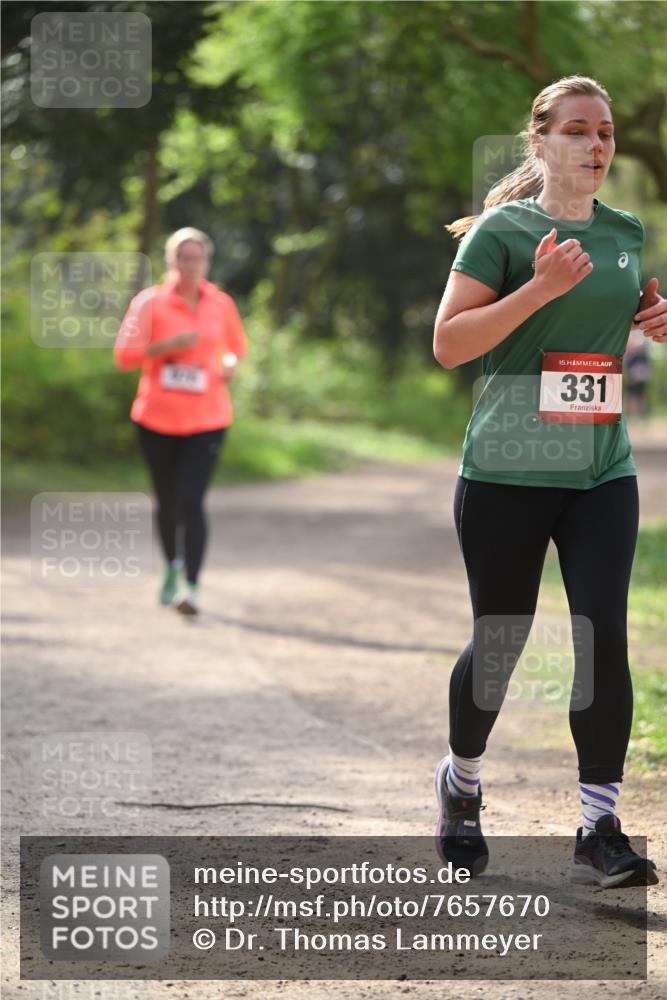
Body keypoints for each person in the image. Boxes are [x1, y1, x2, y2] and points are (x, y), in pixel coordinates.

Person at [432, 75, 666, 887]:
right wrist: (539, 287)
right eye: (576, 131)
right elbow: (450, 345)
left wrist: (654, 318)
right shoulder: (500, 231)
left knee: (599, 635)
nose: (595, 146)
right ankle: (461, 785)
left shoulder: (627, 231)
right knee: (500, 640)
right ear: (539, 143)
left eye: (603, 132)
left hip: (599, 466)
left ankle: (599, 822)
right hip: (504, 469)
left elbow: (621, 317)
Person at [114, 227, 248, 615]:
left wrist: (230, 364)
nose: (190, 265)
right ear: (171, 261)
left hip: (208, 417)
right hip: (156, 418)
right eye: (183, 258)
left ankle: (191, 586)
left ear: (206, 261)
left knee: (193, 500)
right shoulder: (149, 303)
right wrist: (166, 347)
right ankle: (171, 566)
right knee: (168, 501)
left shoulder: (221, 303)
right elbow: (125, 356)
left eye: (197, 258)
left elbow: (236, 349)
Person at [623, 326, 652, 419]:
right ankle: (635, 416)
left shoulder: (637, 349)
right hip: (637, 376)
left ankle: (639, 416)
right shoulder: (640, 348)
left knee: (637, 396)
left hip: (637, 376)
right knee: (635, 396)